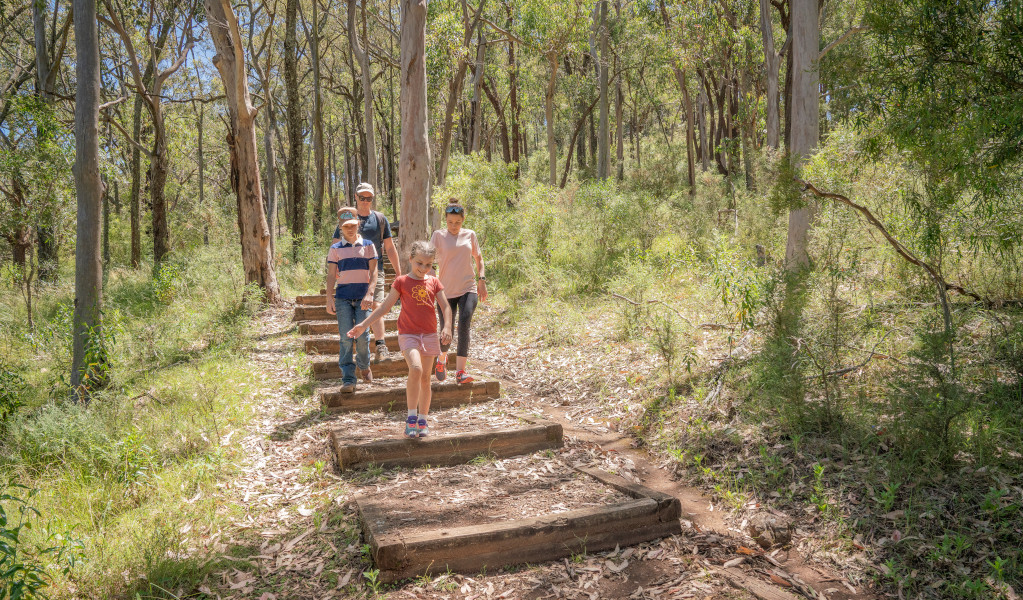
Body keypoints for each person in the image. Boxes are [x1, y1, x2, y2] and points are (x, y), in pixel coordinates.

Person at [349, 241, 452, 438]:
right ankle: (411, 417)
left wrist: (447, 326)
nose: (423, 268)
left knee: (425, 379)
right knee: (415, 368)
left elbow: (446, 306)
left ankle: (423, 419)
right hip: (408, 334)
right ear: (410, 259)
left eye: (428, 265)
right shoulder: (402, 282)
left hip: (429, 334)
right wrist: (364, 324)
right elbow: (385, 306)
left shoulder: (434, 282)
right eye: (419, 263)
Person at [333, 183, 402, 363]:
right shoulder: (346, 219)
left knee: (377, 304)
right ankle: (359, 352)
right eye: (362, 198)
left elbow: (389, 247)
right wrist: (335, 269)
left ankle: (381, 346)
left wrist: (398, 272)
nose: (365, 201)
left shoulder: (379, 219)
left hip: (374, 271)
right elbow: (334, 246)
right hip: (350, 272)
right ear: (355, 197)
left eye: (369, 198)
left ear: (372, 199)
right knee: (354, 309)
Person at [430, 198, 487, 385]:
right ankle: (442, 359)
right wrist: (431, 283)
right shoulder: (438, 236)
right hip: (445, 291)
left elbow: (479, 259)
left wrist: (482, 280)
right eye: (450, 222)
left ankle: (460, 371)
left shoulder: (470, 235)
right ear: (445, 220)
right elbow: (428, 261)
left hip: (468, 287)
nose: (454, 226)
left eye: (458, 222)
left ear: (463, 220)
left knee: (464, 322)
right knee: (447, 329)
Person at [326, 208, 378, 393]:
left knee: (363, 337)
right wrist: (329, 297)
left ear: (358, 224)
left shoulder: (368, 245)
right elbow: (331, 275)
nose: (350, 229)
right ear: (341, 227)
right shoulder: (335, 249)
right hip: (343, 299)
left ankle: (364, 366)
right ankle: (348, 379)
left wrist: (370, 293)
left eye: (353, 225)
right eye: (346, 226)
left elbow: (374, 272)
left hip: (363, 297)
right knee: (345, 339)